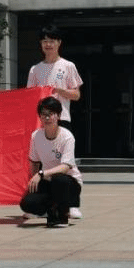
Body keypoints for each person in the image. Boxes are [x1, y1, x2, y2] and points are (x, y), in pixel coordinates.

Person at [26, 23, 84, 219]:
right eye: (44, 41)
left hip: (62, 120)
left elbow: (76, 94)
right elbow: (30, 96)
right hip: (41, 122)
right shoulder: (35, 69)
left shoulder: (68, 66)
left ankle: (72, 204)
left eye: (51, 41)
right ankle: (44, 204)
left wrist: (59, 91)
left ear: (59, 43)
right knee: (43, 163)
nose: (48, 44)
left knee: (65, 163)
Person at [20, 96, 83, 228]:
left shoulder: (67, 137)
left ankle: (63, 214)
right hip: (48, 181)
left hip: (69, 182)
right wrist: (34, 181)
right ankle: (49, 209)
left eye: (51, 114)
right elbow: (34, 162)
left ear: (58, 116)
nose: (47, 118)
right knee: (27, 203)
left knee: (59, 179)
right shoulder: (36, 136)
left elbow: (65, 167)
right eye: (44, 114)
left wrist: (41, 174)